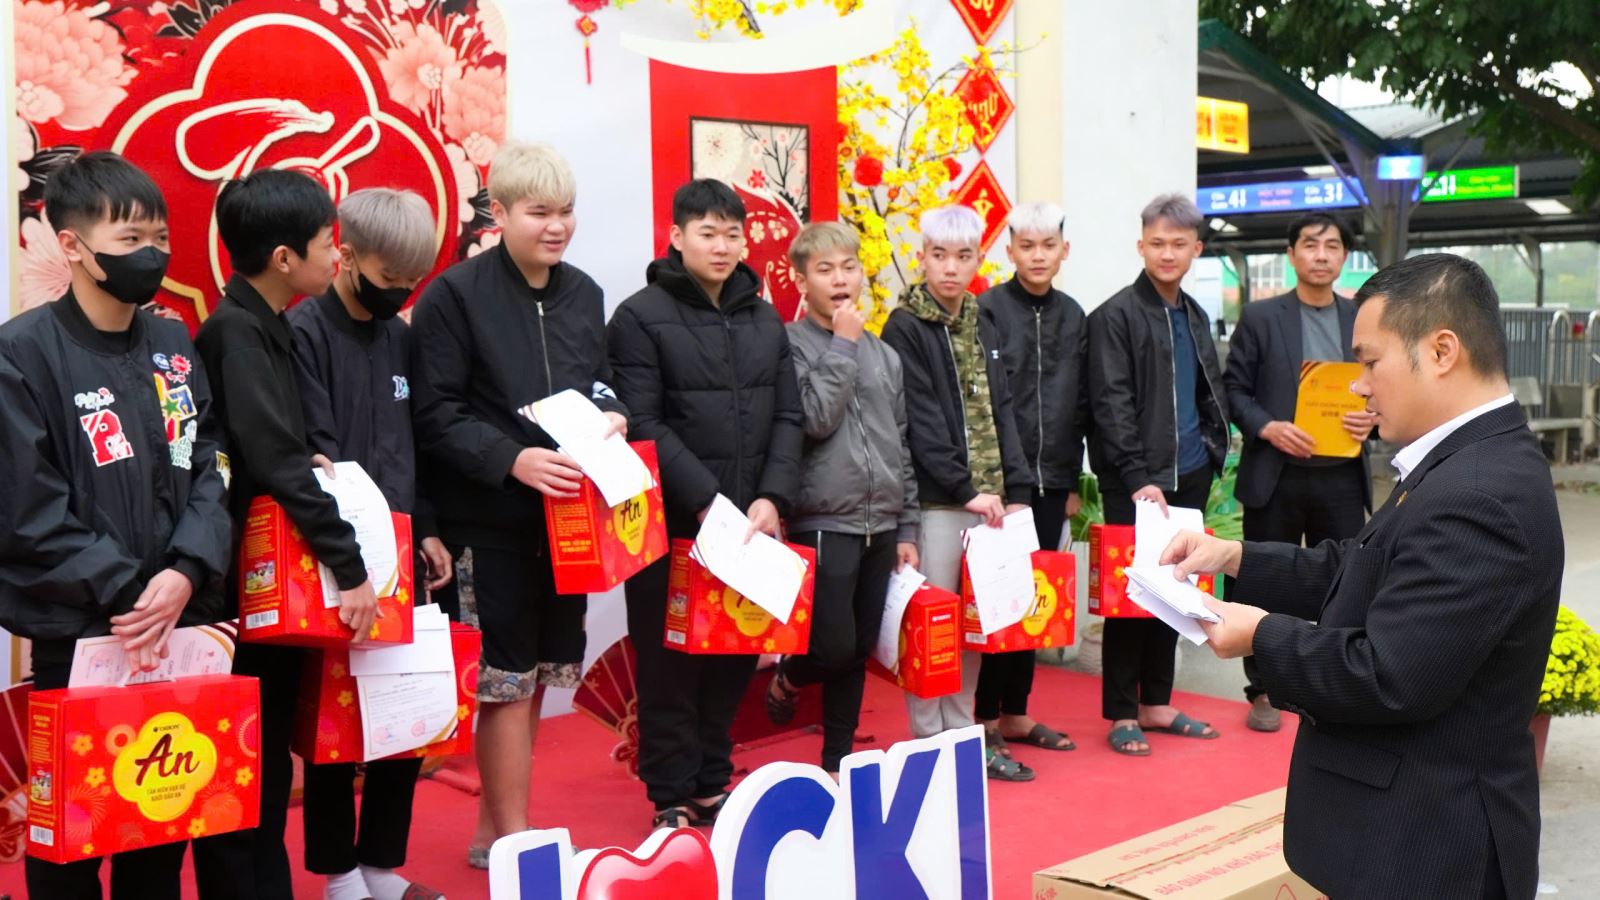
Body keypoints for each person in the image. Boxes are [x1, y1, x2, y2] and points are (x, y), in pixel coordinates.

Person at [1164, 253, 1560, 900]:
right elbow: (1362, 566)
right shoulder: (1463, 461)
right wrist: (1234, 556)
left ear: (1441, 351)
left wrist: (1260, 635)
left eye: (1370, 362)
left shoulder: (1478, 491)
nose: (1358, 386)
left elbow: (1388, 675)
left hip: (1429, 850)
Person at [0, 151, 231, 900]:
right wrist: (135, 590)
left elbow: (211, 461)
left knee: (158, 827)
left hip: (178, 624)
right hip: (82, 635)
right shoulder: (21, 354)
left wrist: (187, 569)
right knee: (70, 837)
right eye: (130, 240)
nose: (151, 256)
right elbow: (26, 511)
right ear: (71, 245)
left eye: (159, 238)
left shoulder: (173, 345)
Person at [410, 141, 626, 867]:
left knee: (533, 680)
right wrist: (512, 459)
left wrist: (614, 413)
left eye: (566, 211)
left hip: (569, 524)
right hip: (488, 520)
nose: (557, 226)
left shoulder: (584, 292)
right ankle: (516, 841)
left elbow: (600, 380)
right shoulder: (454, 296)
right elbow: (435, 413)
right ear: (498, 213)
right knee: (503, 683)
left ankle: (495, 831)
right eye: (540, 212)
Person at [194, 168, 379, 899]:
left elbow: (276, 450)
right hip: (241, 587)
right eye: (327, 243)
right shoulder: (238, 334)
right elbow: (273, 465)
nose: (337, 255)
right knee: (248, 767)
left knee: (266, 763)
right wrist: (350, 566)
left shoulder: (262, 324)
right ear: (282, 258)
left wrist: (306, 457)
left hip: (265, 583)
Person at [607, 178, 804, 829]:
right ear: (677, 236)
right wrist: (706, 500)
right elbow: (642, 422)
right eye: (707, 233)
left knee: (733, 653)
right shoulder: (639, 316)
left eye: (732, 234)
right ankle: (669, 792)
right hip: (672, 523)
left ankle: (712, 780)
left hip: (749, 524)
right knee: (668, 662)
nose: (722, 246)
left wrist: (772, 497)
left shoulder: (764, 317)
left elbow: (788, 415)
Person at [288, 188, 452, 900]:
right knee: (337, 715)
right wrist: (349, 549)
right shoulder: (304, 334)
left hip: (407, 548)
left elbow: (419, 442)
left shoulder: (401, 337)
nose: (401, 292)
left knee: (404, 706)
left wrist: (430, 528)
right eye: (390, 278)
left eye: (413, 280)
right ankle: (337, 872)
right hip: (339, 557)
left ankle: (382, 864)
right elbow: (315, 450)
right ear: (347, 255)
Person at [878, 204, 1035, 781]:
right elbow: (918, 420)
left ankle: (962, 732)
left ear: (978, 260)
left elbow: (1003, 409)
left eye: (963, 256)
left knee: (973, 623)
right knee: (934, 625)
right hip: (939, 503)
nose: (950, 268)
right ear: (922, 258)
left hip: (990, 503)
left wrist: (1016, 488)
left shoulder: (983, 320)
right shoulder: (904, 326)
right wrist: (964, 488)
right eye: (939, 255)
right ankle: (929, 739)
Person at [764, 221, 919, 776]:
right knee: (831, 647)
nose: (839, 279)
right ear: (800, 281)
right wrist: (844, 345)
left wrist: (907, 527)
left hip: (883, 520)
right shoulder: (788, 344)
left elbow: (901, 442)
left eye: (848, 267)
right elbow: (814, 418)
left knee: (857, 649)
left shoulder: (886, 355)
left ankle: (838, 759)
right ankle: (790, 675)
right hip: (824, 517)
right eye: (825, 269)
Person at [1086, 193, 1227, 756]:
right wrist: (1135, 473)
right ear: (1140, 246)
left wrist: (1212, 456)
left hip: (1189, 473)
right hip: (1136, 482)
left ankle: (1158, 703)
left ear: (1196, 249)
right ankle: (1123, 711)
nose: (1168, 254)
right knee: (1133, 598)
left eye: (1179, 244)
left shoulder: (1194, 313)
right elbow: (1110, 403)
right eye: (1157, 243)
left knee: (1174, 591)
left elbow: (1208, 390)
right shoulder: (1115, 316)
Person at [1222, 212, 1374, 733]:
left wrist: (1372, 418)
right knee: (1264, 580)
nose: (1321, 255)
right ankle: (1264, 688)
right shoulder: (1262, 317)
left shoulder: (1361, 317)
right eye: (1310, 244)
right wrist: (1267, 427)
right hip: (1277, 474)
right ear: (1291, 255)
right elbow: (1234, 389)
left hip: (1341, 475)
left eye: (1332, 245)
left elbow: (1382, 383)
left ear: (1345, 256)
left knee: (1348, 581)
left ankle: (1334, 683)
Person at [974, 202, 1089, 763]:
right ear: (1010, 251)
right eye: (1027, 246)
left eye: (1048, 246)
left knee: (1032, 601)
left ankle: (1016, 712)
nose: (1038, 256)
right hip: (1002, 487)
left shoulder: (1073, 315)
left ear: (1064, 251)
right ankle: (983, 716)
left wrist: (1072, 481)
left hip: (1053, 482)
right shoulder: (988, 310)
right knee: (995, 600)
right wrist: (993, 480)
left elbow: (1082, 402)